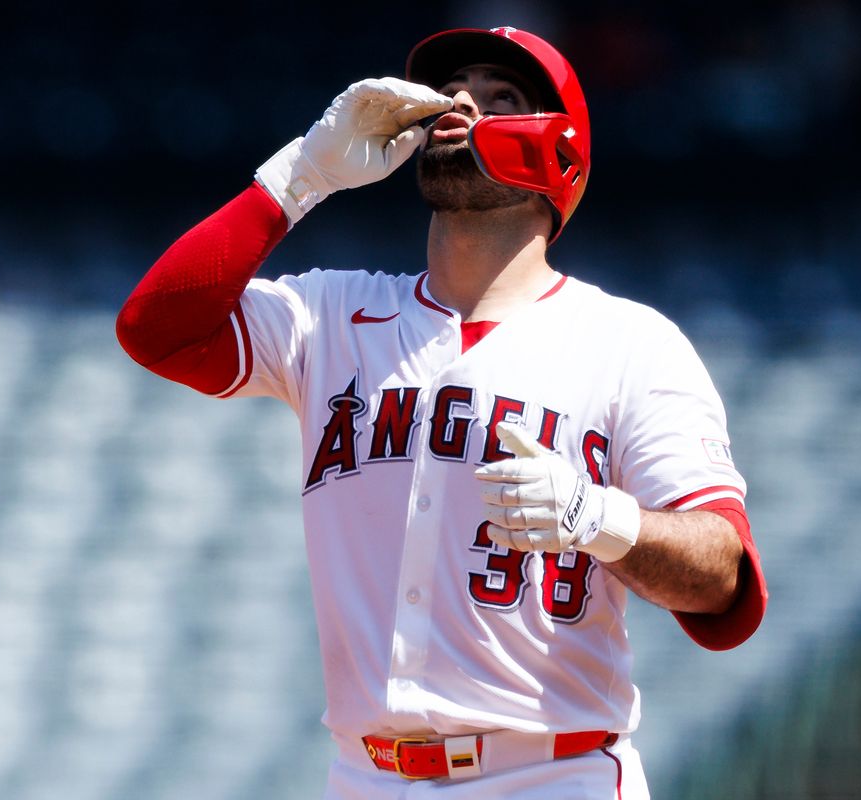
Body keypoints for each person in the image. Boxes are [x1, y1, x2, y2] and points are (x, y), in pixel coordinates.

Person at [116, 25, 768, 799]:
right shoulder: (333, 313)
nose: (462, 104)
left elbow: (724, 578)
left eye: (501, 98)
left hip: (552, 774)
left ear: (559, 152)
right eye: (455, 91)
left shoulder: (628, 344)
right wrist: (300, 177)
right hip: (366, 777)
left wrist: (600, 518)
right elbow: (155, 328)